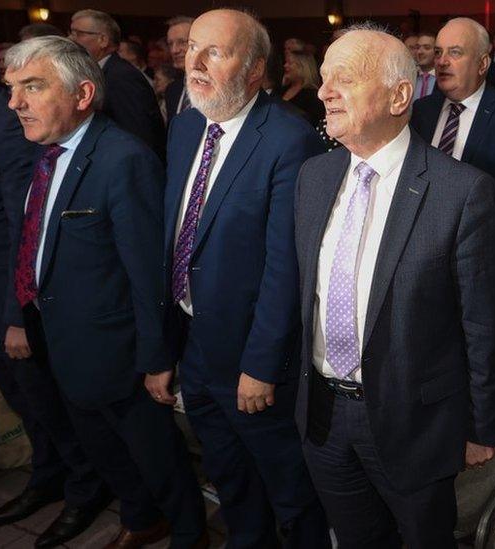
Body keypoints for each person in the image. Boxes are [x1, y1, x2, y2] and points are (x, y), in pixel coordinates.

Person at [296, 24, 495, 548]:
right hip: (322, 416)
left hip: (413, 422)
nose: (324, 92)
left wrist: (483, 428)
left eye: (342, 78)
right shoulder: (313, 177)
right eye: (323, 78)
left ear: (398, 95)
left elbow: (483, 324)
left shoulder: (461, 192)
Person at [3, 35, 208, 548]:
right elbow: (34, 240)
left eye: (32, 87)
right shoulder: (44, 154)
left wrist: (156, 357)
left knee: (157, 457)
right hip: (65, 344)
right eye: (12, 88)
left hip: (121, 354)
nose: (15, 103)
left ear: (83, 94)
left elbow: (147, 272)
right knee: (105, 452)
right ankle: (142, 520)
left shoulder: (124, 159)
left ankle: (189, 533)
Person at [160, 9, 329, 548]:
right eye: (193, 48)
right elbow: (176, 236)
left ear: (255, 70)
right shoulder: (186, 127)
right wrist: (164, 347)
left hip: (252, 358)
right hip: (195, 343)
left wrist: (260, 365)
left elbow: (286, 267)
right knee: (229, 474)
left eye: (217, 52)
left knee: (288, 486)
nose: (197, 62)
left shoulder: (288, 138)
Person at [0, 22, 112, 547]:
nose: (18, 98)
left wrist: (14, 312)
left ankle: (84, 489)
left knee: (47, 401)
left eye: (30, 86)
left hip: (11, 299)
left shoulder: (6, 120)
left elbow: (26, 224)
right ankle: (48, 477)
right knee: (28, 403)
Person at [411, 17, 495, 268]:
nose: (441, 61)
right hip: (421, 253)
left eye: (455, 52)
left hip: (484, 259)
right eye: (439, 52)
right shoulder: (421, 111)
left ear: (483, 63)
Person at [69, 9, 166, 157]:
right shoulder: (102, 72)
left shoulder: (122, 77)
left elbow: (138, 135)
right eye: (71, 32)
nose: (71, 38)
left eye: (79, 33)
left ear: (103, 40)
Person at [282, 50, 325, 123]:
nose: (285, 65)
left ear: (302, 66)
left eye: (290, 63)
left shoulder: (313, 96)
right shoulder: (281, 90)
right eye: (286, 62)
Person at [164, 16, 193, 121]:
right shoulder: (172, 90)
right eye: (170, 44)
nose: (174, 50)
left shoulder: (215, 88)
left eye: (182, 42)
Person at [413, 31, 437, 101]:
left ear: (437, 51)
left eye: (426, 48)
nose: (420, 52)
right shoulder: (410, 77)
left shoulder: (443, 78)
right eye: (417, 47)